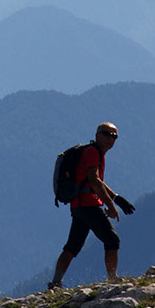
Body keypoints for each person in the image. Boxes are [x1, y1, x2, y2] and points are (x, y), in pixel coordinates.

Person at [47, 121, 136, 289]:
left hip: (78, 206)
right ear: (97, 135)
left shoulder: (95, 153)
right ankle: (112, 279)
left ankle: (55, 282)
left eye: (114, 136)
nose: (111, 139)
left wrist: (117, 198)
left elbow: (97, 182)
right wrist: (110, 204)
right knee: (112, 240)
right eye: (106, 134)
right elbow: (94, 180)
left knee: (72, 246)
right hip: (88, 204)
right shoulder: (93, 152)